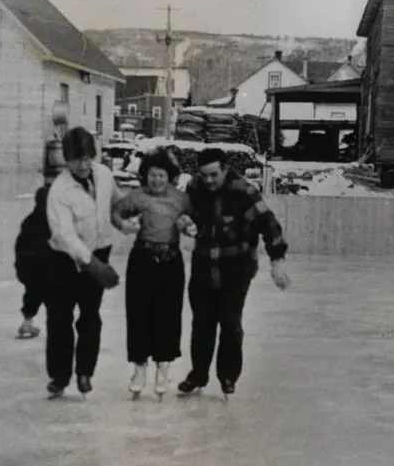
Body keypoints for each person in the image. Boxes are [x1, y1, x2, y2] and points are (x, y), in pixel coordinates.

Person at [177, 147, 291, 398]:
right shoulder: (194, 188)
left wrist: (278, 259)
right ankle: (198, 374)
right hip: (204, 268)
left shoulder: (244, 191)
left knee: (230, 324)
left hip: (236, 270)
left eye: (214, 175)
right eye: (204, 175)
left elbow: (269, 224)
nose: (209, 181)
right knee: (202, 324)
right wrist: (185, 229)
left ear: (225, 169)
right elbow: (185, 217)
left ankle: (228, 376)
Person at [45, 126, 129, 398]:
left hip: (99, 251)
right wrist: (95, 266)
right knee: (60, 318)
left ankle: (85, 372)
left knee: (90, 317)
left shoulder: (103, 175)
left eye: (87, 158)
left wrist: (123, 220)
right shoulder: (59, 191)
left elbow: (116, 202)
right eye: (76, 159)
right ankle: (59, 376)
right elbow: (65, 236)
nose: (82, 165)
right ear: (66, 160)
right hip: (65, 261)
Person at [112, 148, 195, 399]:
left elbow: (194, 219)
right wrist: (124, 224)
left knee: (168, 314)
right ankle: (139, 368)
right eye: (151, 175)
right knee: (139, 314)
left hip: (170, 262)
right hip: (142, 260)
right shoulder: (136, 197)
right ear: (144, 176)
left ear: (169, 177)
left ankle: (163, 366)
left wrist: (190, 226)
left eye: (161, 175)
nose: (156, 180)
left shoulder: (180, 199)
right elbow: (115, 211)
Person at [12, 141, 66, 339]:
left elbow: (20, 244)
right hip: (45, 268)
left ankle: (27, 322)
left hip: (29, 268)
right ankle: (56, 329)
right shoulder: (52, 221)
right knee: (54, 299)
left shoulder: (30, 220)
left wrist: (21, 266)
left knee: (33, 295)